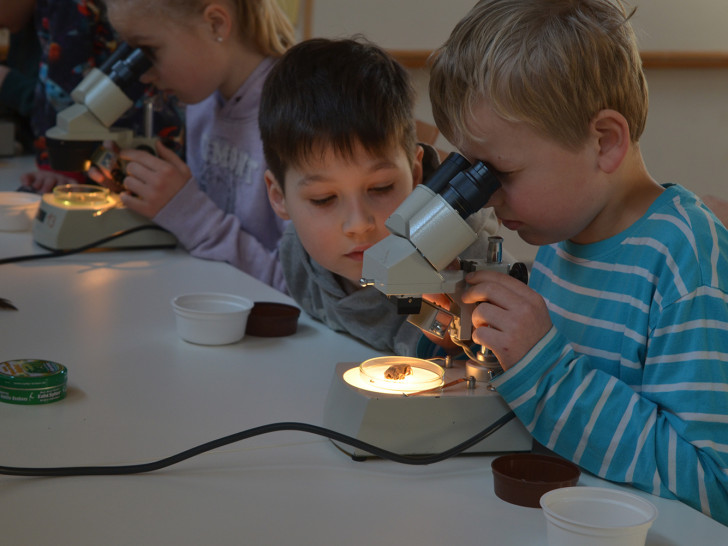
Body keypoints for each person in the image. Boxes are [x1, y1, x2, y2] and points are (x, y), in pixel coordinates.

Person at [428, 0, 728, 525]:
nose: (488, 198)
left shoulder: (685, 265)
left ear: (604, 142)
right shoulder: (561, 236)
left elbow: (714, 489)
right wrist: (476, 339)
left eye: (501, 172)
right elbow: (558, 414)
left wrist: (543, 369)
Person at [260, 37, 502, 355]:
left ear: (416, 174)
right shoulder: (297, 252)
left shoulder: (466, 259)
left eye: (380, 188)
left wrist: (461, 338)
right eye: (323, 198)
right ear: (279, 197)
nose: (359, 224)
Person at [96, 0, 294, 284]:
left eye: (149, 51)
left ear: (216, 24)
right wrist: (147, 196)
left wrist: (187, 212)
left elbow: (298, 289)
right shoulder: (204, 103)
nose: (144, 74)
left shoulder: (296, 119)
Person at [14, 0, 183, 192]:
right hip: (138, 157)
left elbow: (61, 82)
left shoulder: (63, 5)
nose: (148, 76)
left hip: (157, 152)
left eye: (149, 49)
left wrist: (61, 170)